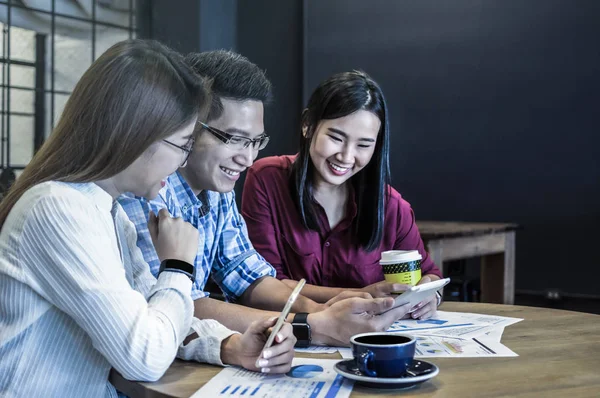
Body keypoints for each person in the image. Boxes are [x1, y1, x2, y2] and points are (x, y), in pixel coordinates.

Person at [0, 40, 294, 398]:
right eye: (183, 144)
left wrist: (229, 345)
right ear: (136, 135)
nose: (182, 162)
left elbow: (155, 317)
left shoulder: (107, 213)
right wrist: (177, 266)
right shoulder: (58, 209)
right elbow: (144, 356)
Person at [119, 51, 409, 348]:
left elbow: (248, 275)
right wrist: (314, 324)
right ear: (187, 125)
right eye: (234, 139)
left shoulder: (218, 191)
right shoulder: (147, 189)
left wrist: (322, 309)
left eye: (256, 141)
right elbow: (174, 306)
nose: (247, 159)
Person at [241, 70, 443, 320]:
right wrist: (360, 294)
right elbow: (264, 283)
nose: (347, 157)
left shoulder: (391, 206)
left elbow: (430, 274)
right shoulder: (267, 179)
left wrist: (431, 296)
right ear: (308, 125)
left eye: (363, 145)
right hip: (294, 334)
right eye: (336, 138)